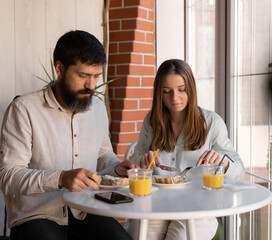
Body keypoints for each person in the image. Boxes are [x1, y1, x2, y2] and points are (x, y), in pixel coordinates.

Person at [0, 30, 137, 240]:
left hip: (86, 211)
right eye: (83, 76)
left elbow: (102, 157)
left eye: (96, 77)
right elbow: (8, 175)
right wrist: (61, 178)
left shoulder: (98, 108)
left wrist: (117, 167)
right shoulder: (24, 109)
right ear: (60, 68)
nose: (91, 86)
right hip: (36, 216)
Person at [128, 59, 245, 239]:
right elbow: (134, 161)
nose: (174, 98)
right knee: (139, 235)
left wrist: (222, 161)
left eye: (182, 90)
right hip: (156, 204)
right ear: (159, 93)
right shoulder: (151, 121)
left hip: (199, 208)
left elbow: (238, 169)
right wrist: (142, 160)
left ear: (191, 88)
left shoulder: (212, 122)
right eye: (166, 91)